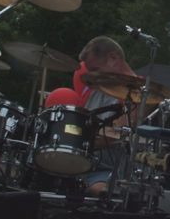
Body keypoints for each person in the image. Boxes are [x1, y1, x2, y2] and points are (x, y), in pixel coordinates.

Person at [45, 36, 139, 196]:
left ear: (113, 58)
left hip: (109, 166)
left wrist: (74, 144)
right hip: (82, 157)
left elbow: (114, 135)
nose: (91, 74)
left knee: (96, 191)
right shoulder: (94, 88)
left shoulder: (140, 93)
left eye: (95, 69)